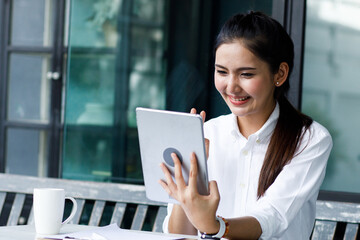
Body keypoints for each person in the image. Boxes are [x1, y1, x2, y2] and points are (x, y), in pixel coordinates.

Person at [159, 11, 333, 239]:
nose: (231, 86)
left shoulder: (310, 139)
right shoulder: (208, 133)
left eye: (246, 74)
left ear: (279, 73)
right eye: (221, 72)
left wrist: (216, 226)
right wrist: (191, 175)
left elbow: (272, 217)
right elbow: (178, 235)